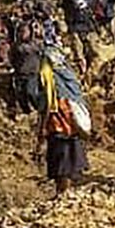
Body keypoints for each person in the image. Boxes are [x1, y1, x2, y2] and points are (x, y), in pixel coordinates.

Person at [37, 47, 89, 197]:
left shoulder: (48, 77)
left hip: (58, 124)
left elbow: (48, 104)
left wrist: (42, 128)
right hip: (73, 123)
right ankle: (66, 191)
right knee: (69, 158)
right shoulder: (69, 76)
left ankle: (63, 192)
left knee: (61, 160)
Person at [59, 0, 99, 76]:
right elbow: (64, 8)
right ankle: (82, 73)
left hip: (89, 26)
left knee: (93, 50)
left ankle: (92, 73)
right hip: (75, 27)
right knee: (78, 52)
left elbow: (99, 5)